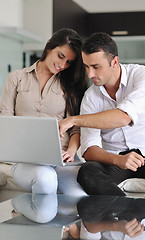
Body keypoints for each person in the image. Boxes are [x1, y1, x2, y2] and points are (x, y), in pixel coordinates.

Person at [58, 32, 145, 197]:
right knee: (87, 171)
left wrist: (73, 120)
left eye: (96, 67)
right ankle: (124, 210)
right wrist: (118, 160)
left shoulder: (143, 76)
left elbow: (123, 117)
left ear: (114, 62)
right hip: (115, 160)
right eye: (86, 67)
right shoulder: (91, 96)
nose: (90, 74)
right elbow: (89, 150)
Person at [0, 28, 88, 195]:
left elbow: (76, 127)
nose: (62, 65)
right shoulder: (17, 78)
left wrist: (70, 152)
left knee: (78, 198)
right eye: (60, 56)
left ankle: (29, 209)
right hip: (26, 158)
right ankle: (21, 206)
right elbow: (5, 121)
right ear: (49, 48)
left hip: (61, 158)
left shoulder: (69, 85)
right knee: (45, 179)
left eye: (69, 62)